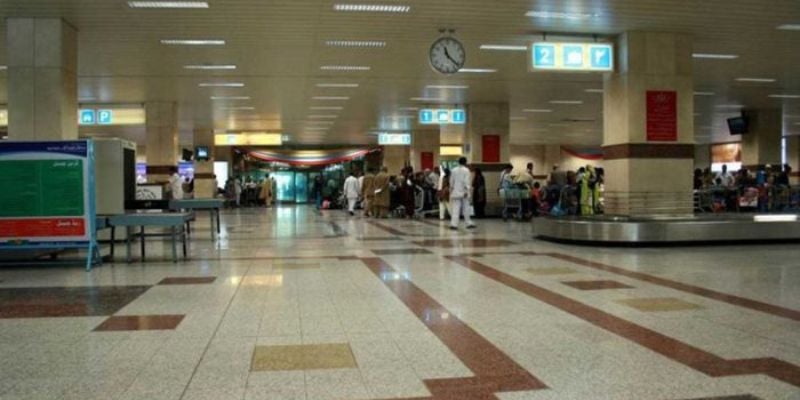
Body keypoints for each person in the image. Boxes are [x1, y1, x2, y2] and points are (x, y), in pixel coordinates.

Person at [449, 157, 475, 230]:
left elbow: (451, 181)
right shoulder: (466, 170)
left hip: (455, 192)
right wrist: (467, 191)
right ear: (465, 162)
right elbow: (466, 181)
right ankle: (468, 223)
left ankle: (454, 224)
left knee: (455, 208)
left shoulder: (453, 170)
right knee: (466, 208)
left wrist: (451, 190)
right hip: (464, 192)